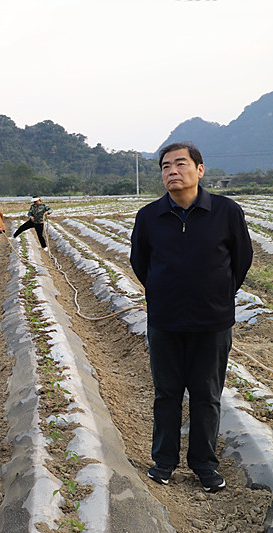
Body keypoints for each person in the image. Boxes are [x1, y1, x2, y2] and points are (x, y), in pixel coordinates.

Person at [130, 142, 253, 493]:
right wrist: (162, 293)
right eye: (165, 166)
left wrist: (215, 294)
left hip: (212, 322)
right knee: (166, 393)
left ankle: (204, 464)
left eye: (180, 164)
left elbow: (241, 260)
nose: (172, 171)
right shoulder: (149, 216)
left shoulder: (226, 212)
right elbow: (141, 263)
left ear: (199, 170)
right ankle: (164, 461)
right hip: (165, 321)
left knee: (207, 394)